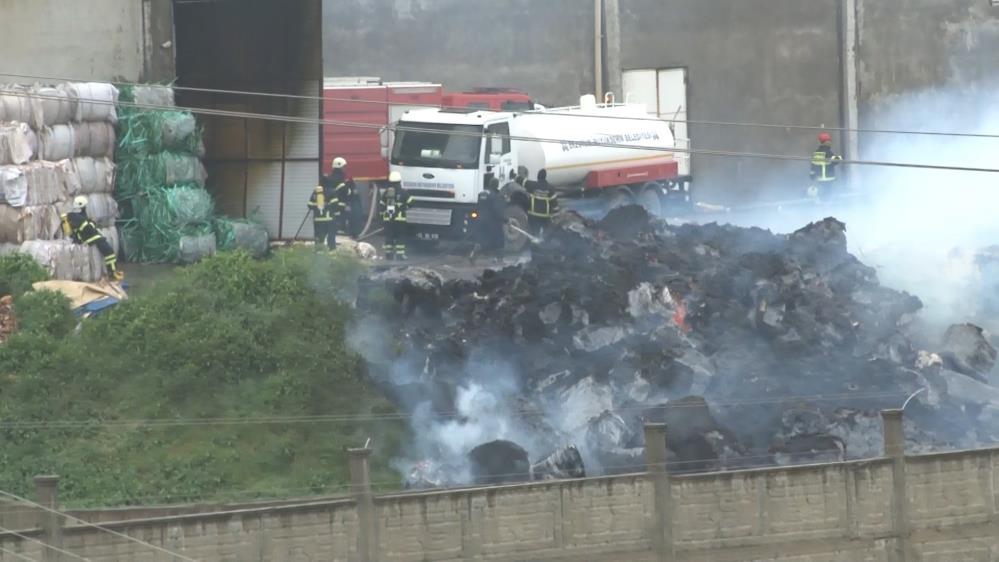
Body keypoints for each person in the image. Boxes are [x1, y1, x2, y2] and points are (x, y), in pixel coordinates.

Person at [61, 195, 122, 280]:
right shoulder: (79, 218)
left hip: (83, 237)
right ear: (82, 207)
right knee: (109, 251)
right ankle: (112, 272)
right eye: (85, 207)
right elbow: (89, 230)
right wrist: (93, 223)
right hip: (89, 238)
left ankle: (111, 271)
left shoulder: (72, 216)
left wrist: (90, 222)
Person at [379, 172, 413, 260]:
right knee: (400, 236)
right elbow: (411, 203)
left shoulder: (387, 192)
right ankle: (400, 255)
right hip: (400, 219)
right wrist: (404, 207)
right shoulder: (403, 192)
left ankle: (389, 254)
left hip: (388, 219)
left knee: (389, 236)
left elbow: (381, 205)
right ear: (399, 181)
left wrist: (382, 217)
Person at [322, 157, 357, 236]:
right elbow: (346, 192)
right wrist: (351, 188)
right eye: (344, 167)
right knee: (341, 224)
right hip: (340, 206)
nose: (345, 168)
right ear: (340, 166)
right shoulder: (340, 179)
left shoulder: (328, 178)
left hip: (328, 207)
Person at [809, 132, 842, 200]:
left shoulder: (816, 152)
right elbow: (835, 161)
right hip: (828, 179)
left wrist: (812, 176)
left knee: (822, 195)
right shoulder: (828, 152)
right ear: (825, 142)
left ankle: (823, 206)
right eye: (829, 140)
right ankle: (827, 208)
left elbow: (813, 165)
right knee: (828, 196)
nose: (830, 142)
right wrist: (840, 157)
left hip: (820, 179)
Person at [307, 184, 340, 250]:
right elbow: (335, 205)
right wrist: (328, 205)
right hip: (329, 219)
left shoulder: (316, 192)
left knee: (319, 238)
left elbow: (309, 205)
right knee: (331, 237)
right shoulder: (331, 191)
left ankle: (319, 252)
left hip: (318, 220)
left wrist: (316, 206)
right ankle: (332, 251)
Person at [527, 168, 559, 233]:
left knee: (534, 232)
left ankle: (534, 241)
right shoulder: (550, 188)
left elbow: (523, 181)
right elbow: (554, 203)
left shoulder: (532, 185)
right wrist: (556, 216)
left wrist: (514, 176)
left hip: (533, 215)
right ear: (545, 177)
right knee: (545, 234)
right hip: (545, 217)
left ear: (538, 176)